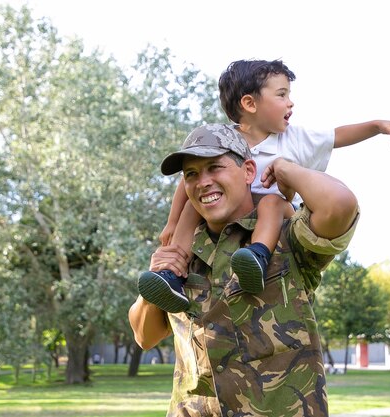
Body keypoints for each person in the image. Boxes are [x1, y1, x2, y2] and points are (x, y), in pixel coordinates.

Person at [138, 59, 390, 312]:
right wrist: (172, 223)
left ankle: (257, 256)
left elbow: (338, 135)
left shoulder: (293, 139)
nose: (290, 103)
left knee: (269, 202)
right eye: (282, 95)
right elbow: (188, 182)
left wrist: (377, 126)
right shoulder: (224, 141)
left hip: (279, 212)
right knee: (191, 209)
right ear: (249, 104)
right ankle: (172, 274)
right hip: (233, 218)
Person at [129, 123, 360, 417]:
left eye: (215, 167)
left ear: (249, 171)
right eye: (192, 174)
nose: (203, 182)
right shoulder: (181, 252)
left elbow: (340, 205)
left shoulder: (285, 236)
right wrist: (152, 289)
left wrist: (286, 170)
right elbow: (145, 337)